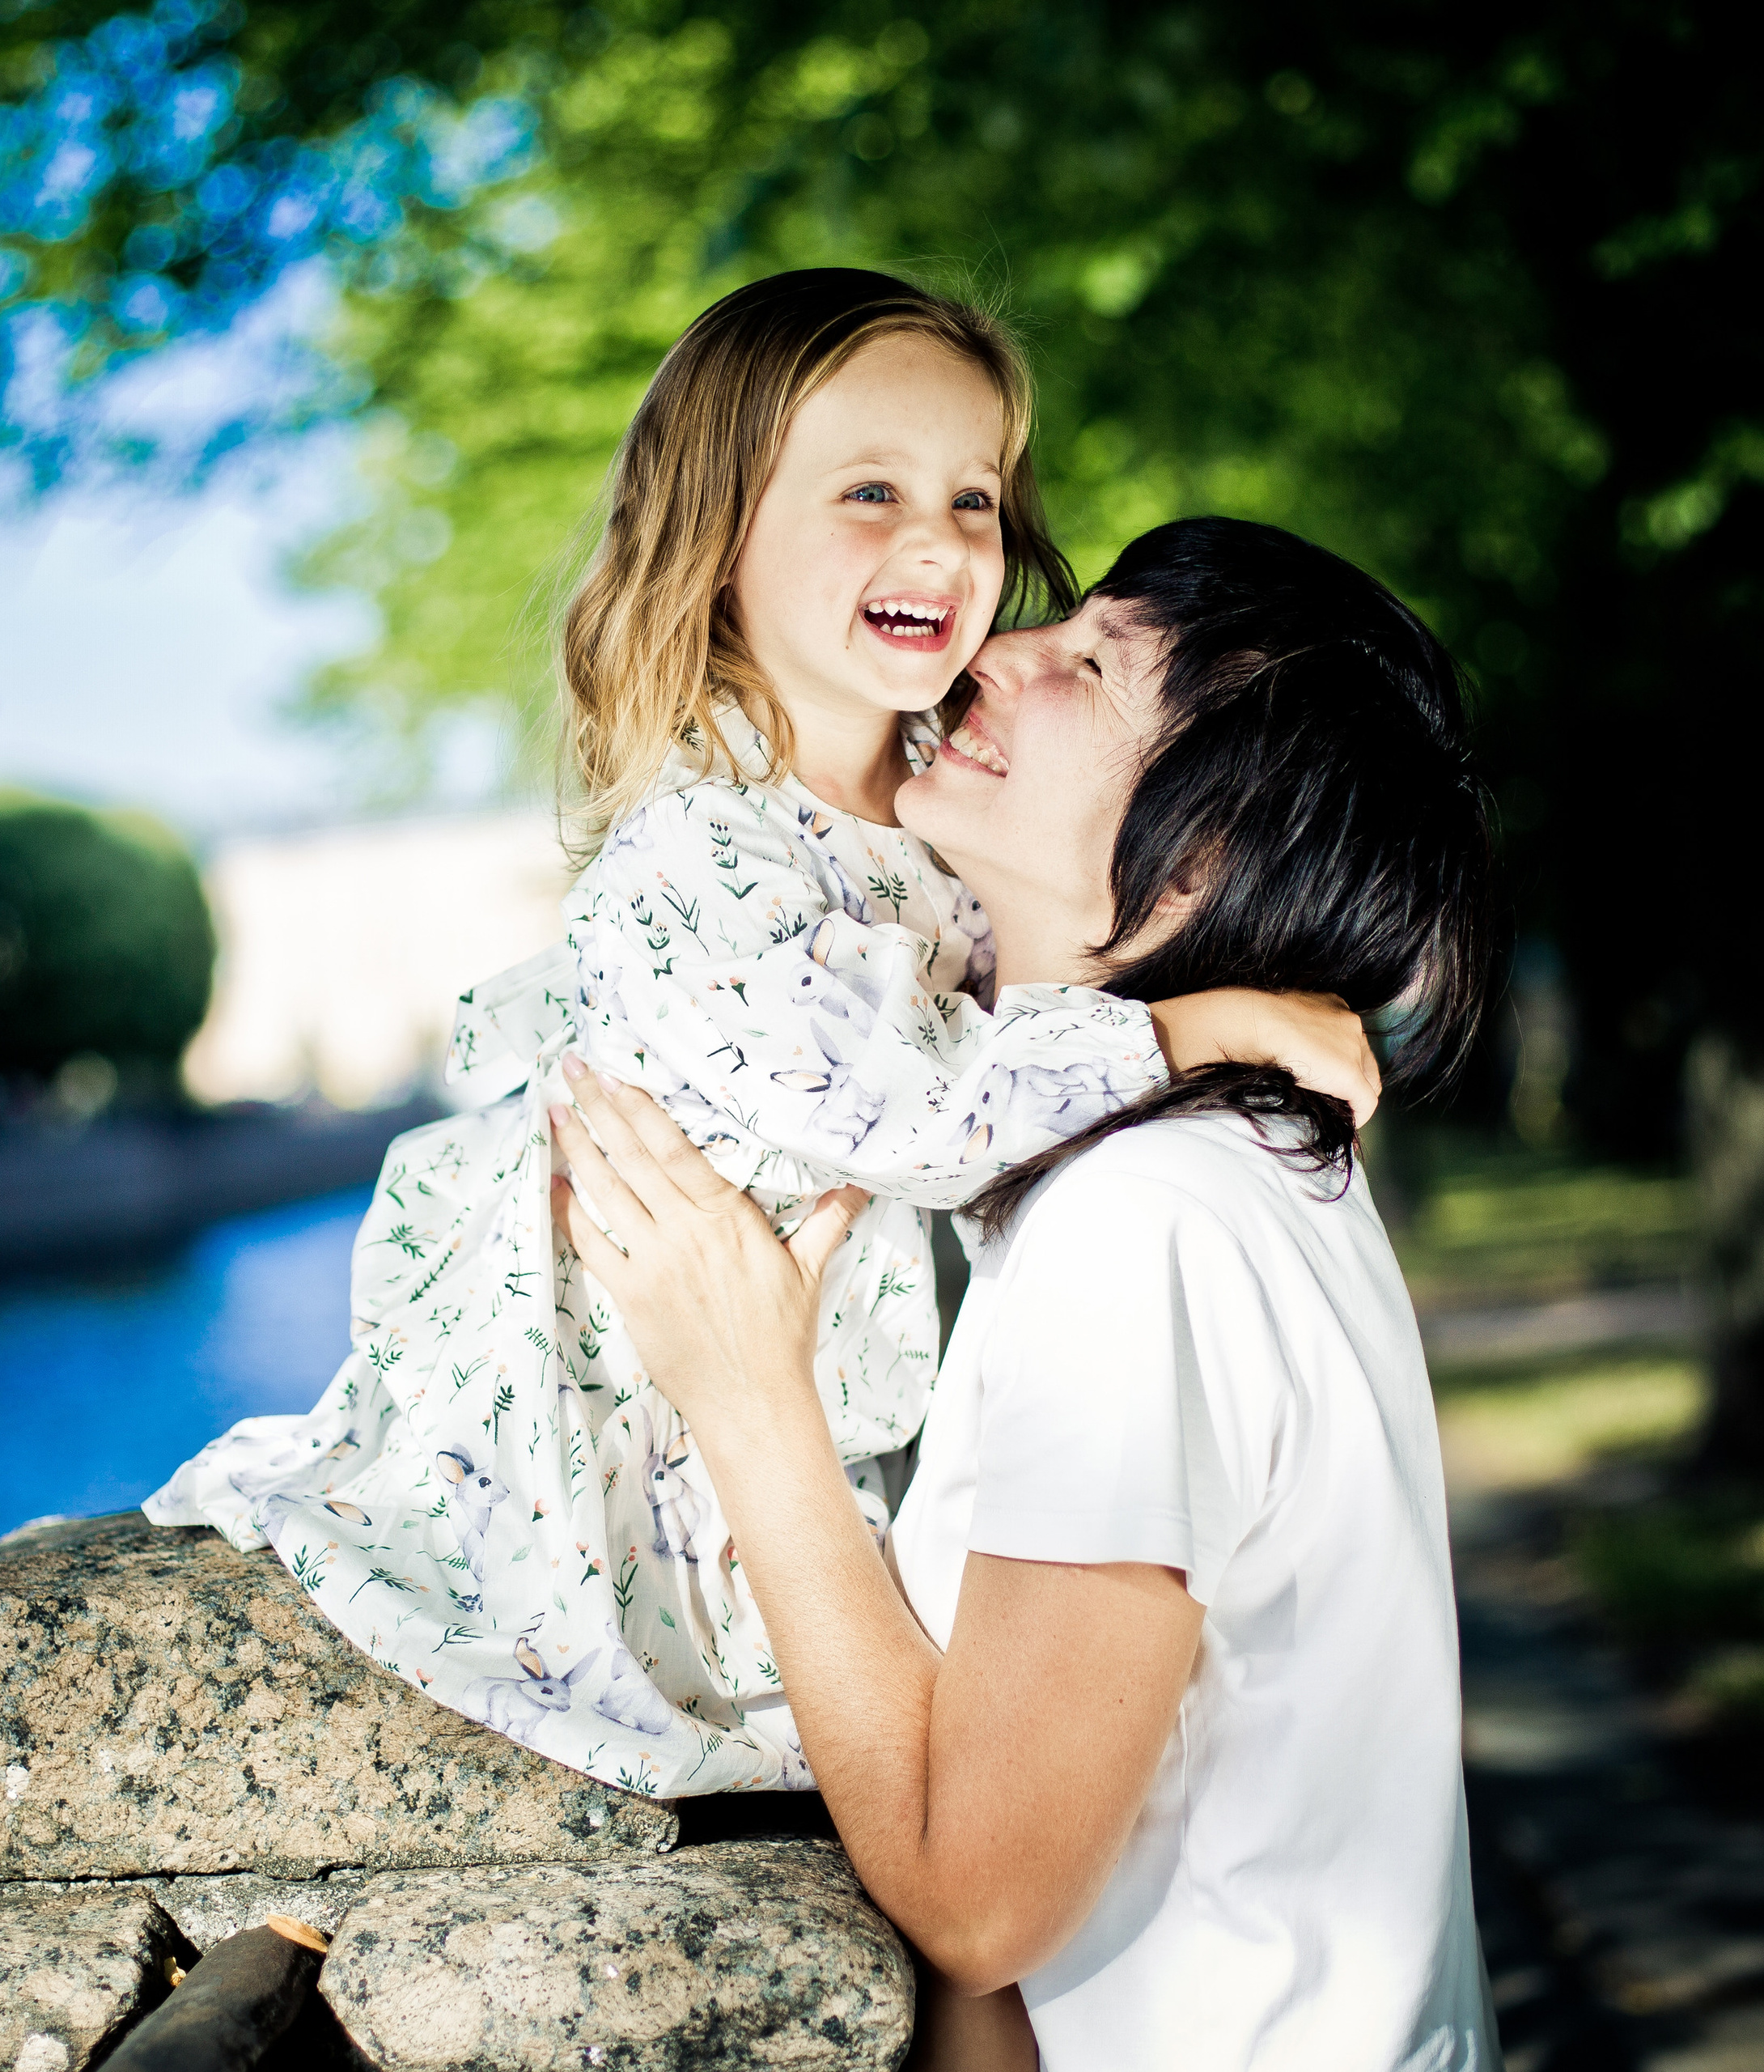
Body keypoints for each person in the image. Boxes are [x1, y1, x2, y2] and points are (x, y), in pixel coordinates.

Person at [144, 275, 1375, 1797]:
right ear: (718, 535)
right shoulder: (707, 850)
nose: (940, 540)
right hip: (641, 1428)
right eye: (869, 491)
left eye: (973, 499)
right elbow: (917, 1119)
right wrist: (1195, 1028)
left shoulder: (927, 826)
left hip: (794, 1390)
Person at [545, 516, 1502, 2068]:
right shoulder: (1238, 1163)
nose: (993, 651)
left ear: (1207, 848)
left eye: (1088, 664)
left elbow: (981, 1901)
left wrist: (750, 1405)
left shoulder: (1145, 1223)